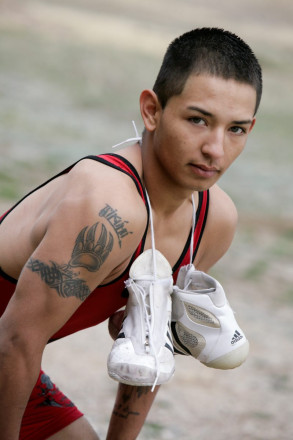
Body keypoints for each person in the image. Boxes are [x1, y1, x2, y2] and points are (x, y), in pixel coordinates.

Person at [0, 27, 262, 440]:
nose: (215, 149)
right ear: (152, 110)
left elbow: (148, 346)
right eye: (198, 120)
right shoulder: (107, 207)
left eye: (236, 129)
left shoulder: (213, 222)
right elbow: (16, 338)